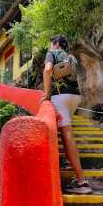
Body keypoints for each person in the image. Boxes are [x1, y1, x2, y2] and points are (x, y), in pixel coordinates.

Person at [42, 35, 92, 194]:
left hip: (60, 97)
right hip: (75, 97)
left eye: (52, 43)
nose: (51, 46)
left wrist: (46, 93)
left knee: (67, 136)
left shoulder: (53, 53)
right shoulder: (71, 57)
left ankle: (81, 182)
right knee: (66, 134)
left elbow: (48, 69)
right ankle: (71, 163)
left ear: (55, 44)